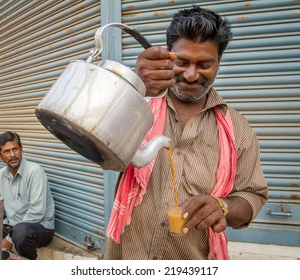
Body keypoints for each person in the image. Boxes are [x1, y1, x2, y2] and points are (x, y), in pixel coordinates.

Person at [104, 5, 268, 260]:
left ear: (219, 64)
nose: (191, 76)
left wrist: (223, 206)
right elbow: (99, 146)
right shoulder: (139, 105)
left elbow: (253, 196)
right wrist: (134, 89)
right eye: (182, 62)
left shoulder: (239, 130)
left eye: (204, 64)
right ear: (169, 57)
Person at [0, 131, 55, 260]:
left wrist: (9, 239)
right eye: (7, 151)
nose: (13, 155)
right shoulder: (0, 174)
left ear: (21, 149)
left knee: (20, 232)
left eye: (15, 149)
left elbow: (36, 212)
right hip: (12, 225)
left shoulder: (35, 171)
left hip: (39, 227)